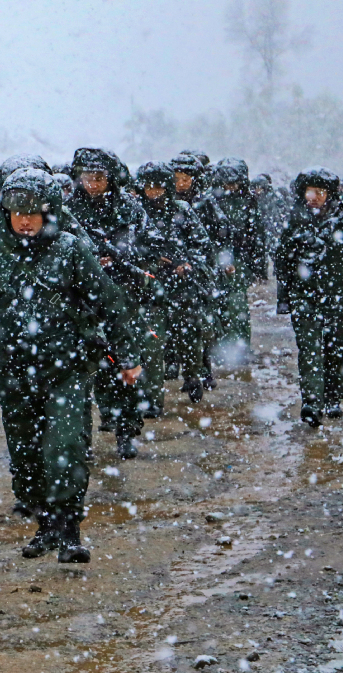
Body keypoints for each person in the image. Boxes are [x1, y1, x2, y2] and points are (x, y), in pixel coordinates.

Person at [0, 168, 143, 563]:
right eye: (16, 212)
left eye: (32, 212)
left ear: (49, 213)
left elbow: (110, 303)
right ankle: (44, 524)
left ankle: (69, 532)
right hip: (13, 372)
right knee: (26, 455)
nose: (24, 220)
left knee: (65, 447)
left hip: (66, 370)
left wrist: (127, 356)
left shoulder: (69, 250)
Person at [67, 147, 155, 458]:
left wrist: (121, 258)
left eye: (99, 177)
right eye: (88, 176)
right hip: (81, 299)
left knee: (123, 362)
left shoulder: (129, 208)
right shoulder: (67, 210)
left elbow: (150, 245)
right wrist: (87, 262)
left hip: (120, 294)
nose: (93, 182)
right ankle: (81, 438)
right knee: (85, 370)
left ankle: (126, 430)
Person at [275, 168, 343, 427]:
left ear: (330, 194)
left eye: (319, 192)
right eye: (309, 192)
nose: (314, 197)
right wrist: (284, 298)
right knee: (309, 351)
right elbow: (283, 264)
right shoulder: (295, 221)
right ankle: (311, 402)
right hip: (304, 297)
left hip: (339, 298)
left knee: (336, 350)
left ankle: (333, 397)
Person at [135, 161, 213, 404]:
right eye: (148, 187)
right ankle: (152, 399)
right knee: (152, 344)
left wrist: (188, 264)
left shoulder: (182, 210)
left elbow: (202, 244)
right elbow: (128, 246)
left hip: (183, 286)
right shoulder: (137, 212)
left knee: (189, 337)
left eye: (158, 187)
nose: (153, 192)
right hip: (150, 287)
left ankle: (192, 376)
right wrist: (150, 260)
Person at [170, 153, 228, 390]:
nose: (181, 183)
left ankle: (204, 370)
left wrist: (212, 260)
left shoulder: (205, 203)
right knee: (179, 324)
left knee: (203, 324)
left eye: (186, 179)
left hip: (202, 270)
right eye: (177, 178)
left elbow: (220, 232)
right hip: (177, 271)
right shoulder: (168, 203)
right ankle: (186, 369)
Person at [210, 158, 268, 362]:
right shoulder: (212, 200)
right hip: (217, 257)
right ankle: (221, 349)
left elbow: (257, 234)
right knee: (218, 305)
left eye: (234, 182)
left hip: (239, 258)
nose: (230, 187)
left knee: (237, 305)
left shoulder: (248, 201)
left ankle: (240, 348)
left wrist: (259, 265)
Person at [250, 173, 288, 256]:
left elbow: (276, 215)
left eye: (259, 188)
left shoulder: (271, 199)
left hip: (269, 231)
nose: (257, 190)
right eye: (255, 188)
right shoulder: (256, 198)